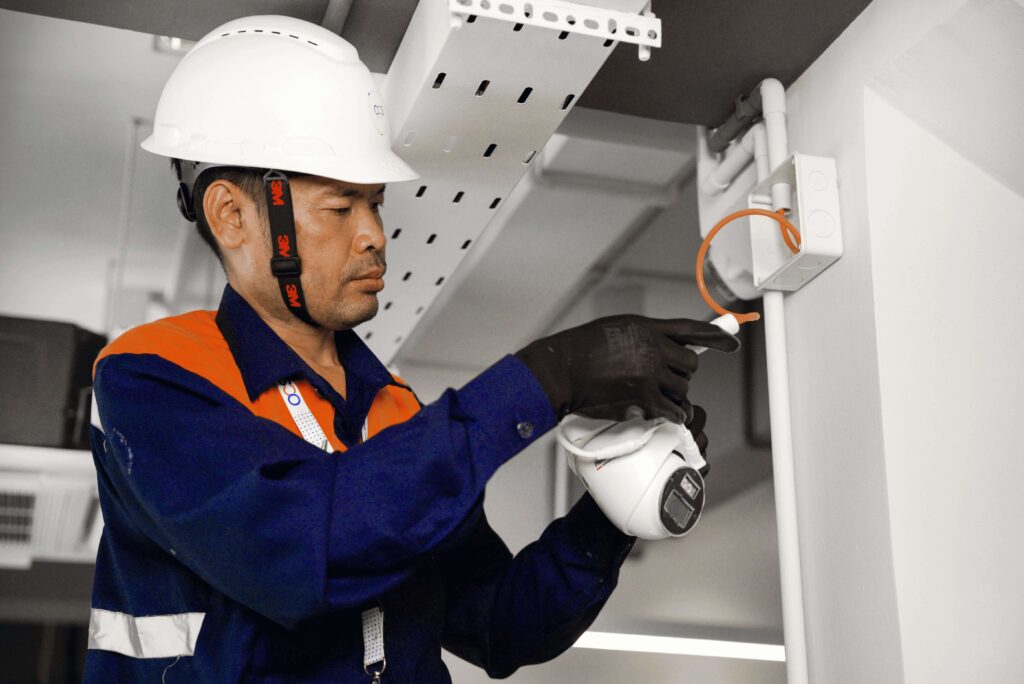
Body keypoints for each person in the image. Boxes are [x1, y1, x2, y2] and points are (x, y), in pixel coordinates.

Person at [84, 15, 739, 683]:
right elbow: (304, 550)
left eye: (376, 205)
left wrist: (615, 507)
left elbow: (499, 624)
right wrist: (548, 376)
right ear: (232, 215)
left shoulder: (394, 411)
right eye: (341, 208)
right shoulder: (156, 376)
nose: (373, 235)